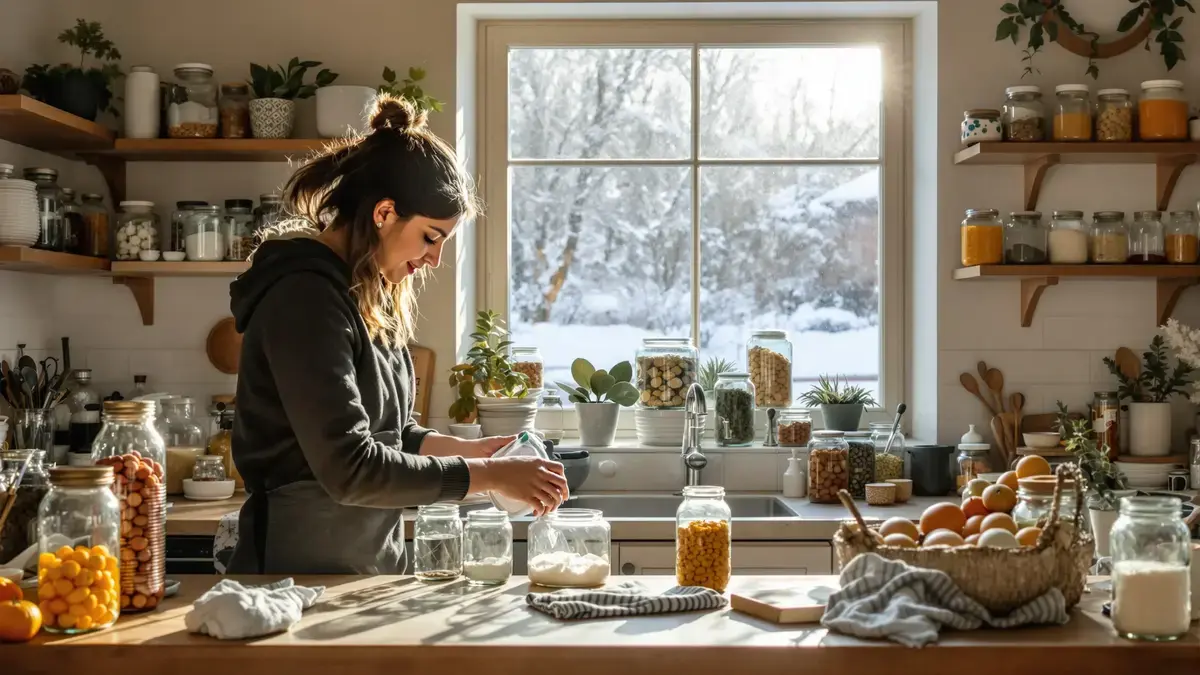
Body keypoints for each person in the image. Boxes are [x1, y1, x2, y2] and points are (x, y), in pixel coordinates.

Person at [226, 94, 568, 574]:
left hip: (371, 563)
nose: (434, 260)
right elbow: (352, 468)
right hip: (295, 570)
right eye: (431, 237)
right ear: (384, 213)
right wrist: (487, 476)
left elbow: (393, 434)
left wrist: (474, 451)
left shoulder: (367, 295)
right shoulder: (303, 299)